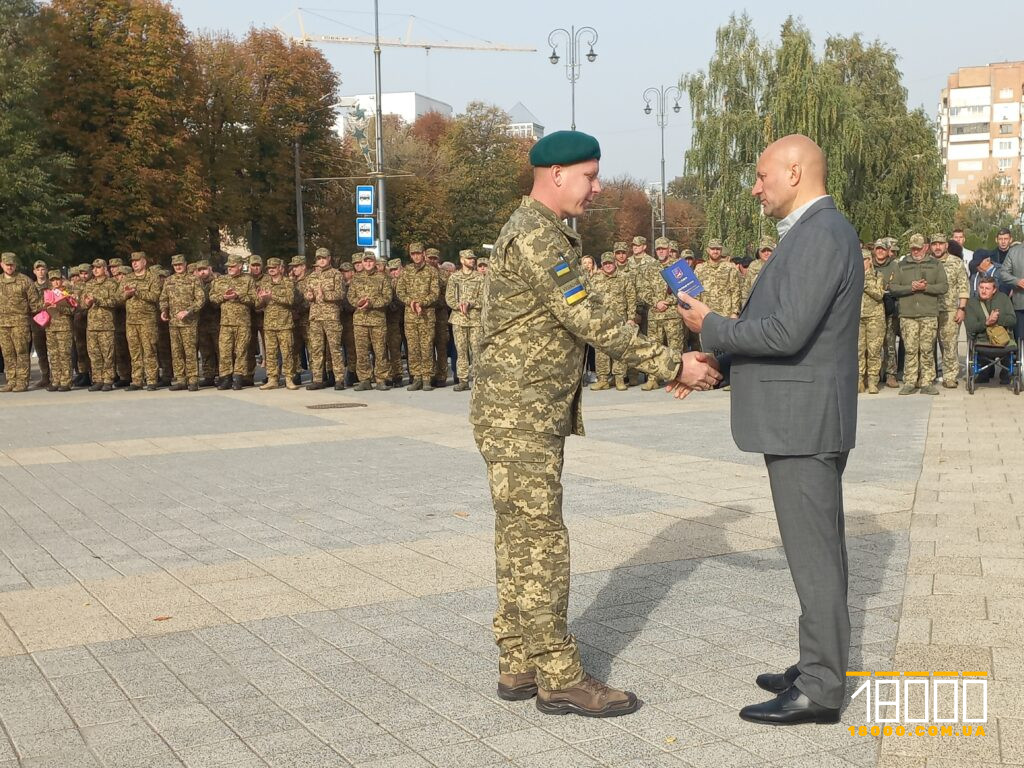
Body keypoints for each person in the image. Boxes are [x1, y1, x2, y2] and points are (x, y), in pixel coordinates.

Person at [471, 129, 719, 719]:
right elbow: (588, 319)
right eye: (590, 175)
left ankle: (518, 659)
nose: (597, 187)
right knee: (540, 540)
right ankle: (559, 676)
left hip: (520, 410)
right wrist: (670, 363)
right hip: (521, 412)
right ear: (557, 175)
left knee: (519, 537)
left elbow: (593, 307)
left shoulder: (543, 233)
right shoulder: (536, 236)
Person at [677, 134, 862, 726]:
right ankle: (818, 664)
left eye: (761, 177)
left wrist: (711, 327)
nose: (755, 188)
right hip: (800, 417)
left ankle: (822, 687)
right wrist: (719, 362)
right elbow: (781, 329)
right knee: (818, 552)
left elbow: (785, 333)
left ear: (794, 171)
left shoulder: (821, 233)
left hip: (803, 424)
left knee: (815, 558)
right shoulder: (812, 234)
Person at [889, 234, 948, 395]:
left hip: (928, 313)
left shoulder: (935, 264)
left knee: (927, 349)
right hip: (908, 315)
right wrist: (911, 288)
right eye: (913, 248)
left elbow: (943, 287)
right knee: (910, 349)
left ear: (925, 247)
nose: (915, 251)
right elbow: (893, 287)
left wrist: (926, 287)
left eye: (918, 248)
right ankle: (910, 381)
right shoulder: (901, 265)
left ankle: (927, 381)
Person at [588, 252, 636, 391]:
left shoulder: (624, 277)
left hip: (619, 319)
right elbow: (590, 298)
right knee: (601, 350)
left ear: (615, 263)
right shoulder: (595, 279)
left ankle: (619, 378)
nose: (608, 266)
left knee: (619, 348)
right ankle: (603, 379)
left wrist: (631, 318)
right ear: (602, 265)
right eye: (605, 264)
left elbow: (631, 298)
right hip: (601, 320)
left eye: (610, 263)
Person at [397, 242, 441, 391]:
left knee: (427, 346)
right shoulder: (406, 271)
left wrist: (422, 303)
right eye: (413, 254)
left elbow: (435, 293)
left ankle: (427, 377)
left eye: (418, 253)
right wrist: (411, 302)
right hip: (410, 316)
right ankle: (416, 377)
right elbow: (400, 291)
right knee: (413, 347)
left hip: (426, 315)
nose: (416, 256)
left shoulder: (432, 271)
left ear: (423, 254)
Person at [209, 255, 256, 390]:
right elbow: (212, 298)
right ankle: (225, 378)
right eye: (228, 266)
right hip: (225, 322)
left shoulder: (248, 280)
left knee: (241, 351)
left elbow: (254, 299)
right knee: (224, 351)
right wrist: (223, 297)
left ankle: (238, 378)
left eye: (233, 266)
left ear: (240, 266)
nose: (230, 268)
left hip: (243, 322)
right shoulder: (221, 281)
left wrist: (239, 296)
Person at [159, 255, 205, 391]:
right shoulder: (169, 280)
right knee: (176, 351)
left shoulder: (194, 279)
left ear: (185, 264)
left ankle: (192, 380)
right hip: (173, 323)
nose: (178, 267)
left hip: (189, 322)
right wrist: (163, 310)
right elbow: (163, 298)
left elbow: (201, 299)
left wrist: (188, 311)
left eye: (180, 264)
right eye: (175, 265)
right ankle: (181, 379)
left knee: (190, 351)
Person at [0, 252, 43, 393]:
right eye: (7, 265)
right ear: (1, 265)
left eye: (12, 265)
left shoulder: (25, 281)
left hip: (20, 323)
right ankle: (11, 381)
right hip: (3, 324)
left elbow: (35, 304)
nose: (9, 267)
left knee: (22, 352)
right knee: (8, 353)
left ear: (15, 265)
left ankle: (22, 382)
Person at [930, 234, 969, 388]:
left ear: (946, 245)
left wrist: (961, 308)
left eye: (940, 244)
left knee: (949, 344)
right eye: (934, 244)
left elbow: (963, 286)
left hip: (950, 309)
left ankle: (950, 376)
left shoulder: (956, 262)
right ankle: (928, 375)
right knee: (927, 344)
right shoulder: (927, 262)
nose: (937, 247)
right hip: (930, 309)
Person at [348, 253, 392, 391]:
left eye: (370, 261)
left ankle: (381, 379)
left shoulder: (382, 278)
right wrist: (358, 302)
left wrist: (371, 303)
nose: (368, 264)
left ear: (374, 262)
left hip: (377, 319)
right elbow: (350, 296)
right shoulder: (356, 278)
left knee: (380, 351)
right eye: (365, 261)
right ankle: (364, 379)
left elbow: (387, 297)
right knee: (361, 352)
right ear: (362, 262)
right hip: (360, 320)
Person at [304, 247, 345, 391]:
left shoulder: (336, 274)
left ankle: (339, 378)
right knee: (316, 349)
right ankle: (317, 379)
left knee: (334, 349)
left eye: (324, 258)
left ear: (329, 259)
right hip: (315, 317)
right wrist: (309, 296)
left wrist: (325, 295)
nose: (321, 260)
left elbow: (340, 294)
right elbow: (307, 293)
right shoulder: (312, 276)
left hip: (331, 316)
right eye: (319, 258)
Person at [121, 251, 162, 390]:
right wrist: (125, 294)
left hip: (147, 321)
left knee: (149, 350)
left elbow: (155, 296)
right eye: (132, 261)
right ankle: (137, 380)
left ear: (144, 262)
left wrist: (137, 292)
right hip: (131, 321)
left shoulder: (152, 277)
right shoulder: (128, 278)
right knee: (134, 351)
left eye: (137, 261)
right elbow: (118, 297)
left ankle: (151, 380)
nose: (134, 263)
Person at [257, 258, 300, 390]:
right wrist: (261, 299)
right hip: (269, 323)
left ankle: (288, 378)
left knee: (287, 352)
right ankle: (272, 379)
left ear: (280, 268)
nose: (271, 270)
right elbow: (257, 304)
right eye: (269, 268)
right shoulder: (264, 283)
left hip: (284, 323)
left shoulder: (287, 282)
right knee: (270, 353)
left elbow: (290, 300)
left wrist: (272, 297)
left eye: (274, 267)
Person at [965, 275, 1017, 383]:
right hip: (982, 340)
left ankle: (1006, 374)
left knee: (1009, 347)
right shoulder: (972, 303)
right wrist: (987, 322)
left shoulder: (1003, 299)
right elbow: (971, 327)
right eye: (981, 288)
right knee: (979, 349)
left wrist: (997, 319)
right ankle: (984, 374)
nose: (983, 291)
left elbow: (1012, 320)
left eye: (987, 288)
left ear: (994, 290)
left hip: (1003, 339)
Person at [446, 249, 484, 391]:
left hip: (475, 320)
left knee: (477, 350)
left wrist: (471, 304)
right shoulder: (454, 277)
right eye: (469, 258)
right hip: (458, 319)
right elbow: (449, 297)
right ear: (462, 260)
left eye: (473, 258)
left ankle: (478, 379)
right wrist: (458, 305)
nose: (472, 261)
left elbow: (483, 298)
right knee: (461, 350)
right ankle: (462, 379)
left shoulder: (480, 278)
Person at [42, 269, 75, 391]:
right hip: (50, 327)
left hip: (64, 327)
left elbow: (72, 310)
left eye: (57, 279)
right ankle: (55, 380)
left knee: (64, 354)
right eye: (53, 280)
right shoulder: (47, 292)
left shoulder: (67, 292)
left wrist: (59, 307)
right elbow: (40, 307)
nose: (55, 282)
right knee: (54, 355)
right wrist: (45, 306)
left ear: (61, 280)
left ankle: (66, 381)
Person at [859, 252, 885, 394]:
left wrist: (865, 283)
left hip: (875, 318)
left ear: (870, 261)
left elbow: (879, 293)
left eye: (864, 260)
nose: (861, 263)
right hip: (858, 318)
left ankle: (873, 380)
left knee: (874, 350)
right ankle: (859, 380)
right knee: (859, 350)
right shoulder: (853, 275)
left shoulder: (877, 275)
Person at [996, 238, 1024, 344]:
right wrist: (1017, 281)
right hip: (1020, 304)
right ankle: (1020, 359)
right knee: (1020, 339)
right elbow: (1003, 273)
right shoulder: (1014, 251)